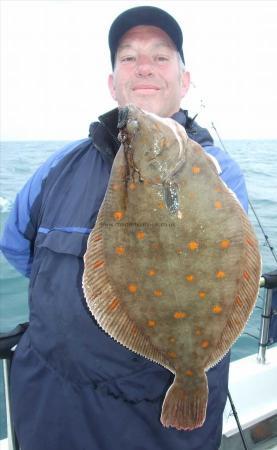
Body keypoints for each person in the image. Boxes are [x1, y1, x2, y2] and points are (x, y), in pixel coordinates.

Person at [0, 6, 248, 450]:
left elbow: (233, 263)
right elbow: (17, 246)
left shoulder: (217, 172)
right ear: (113, 84)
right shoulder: (58, 167)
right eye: (128, 57)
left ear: (184, 81)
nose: (144, 66)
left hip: (150, 428)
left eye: (161, 56)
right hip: (47, 413)